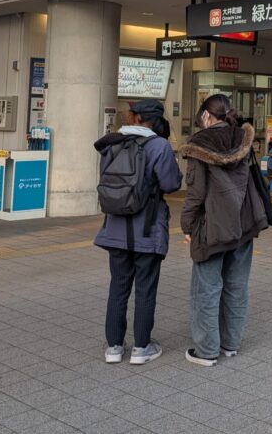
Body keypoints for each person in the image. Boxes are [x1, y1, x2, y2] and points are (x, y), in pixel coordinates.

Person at [180, 94, 269, 366]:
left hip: (213, 226)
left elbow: (195, 193)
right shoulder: (243, 139)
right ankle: (230, 344)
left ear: (207, 115)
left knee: (206, 288)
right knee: (236, 285)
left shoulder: (199, 144)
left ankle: (207, 351)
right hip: (244, 222)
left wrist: (187, 225)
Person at [94, 99, 181, 365]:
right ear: (156, 120)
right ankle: (141, 348)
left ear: (135, 117)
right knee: (145, 289)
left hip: (115, 227)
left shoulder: (112, 143)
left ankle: (114, 347)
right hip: (147, 228)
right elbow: (171, 183)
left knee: (118, 287)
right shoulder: (159, 146)